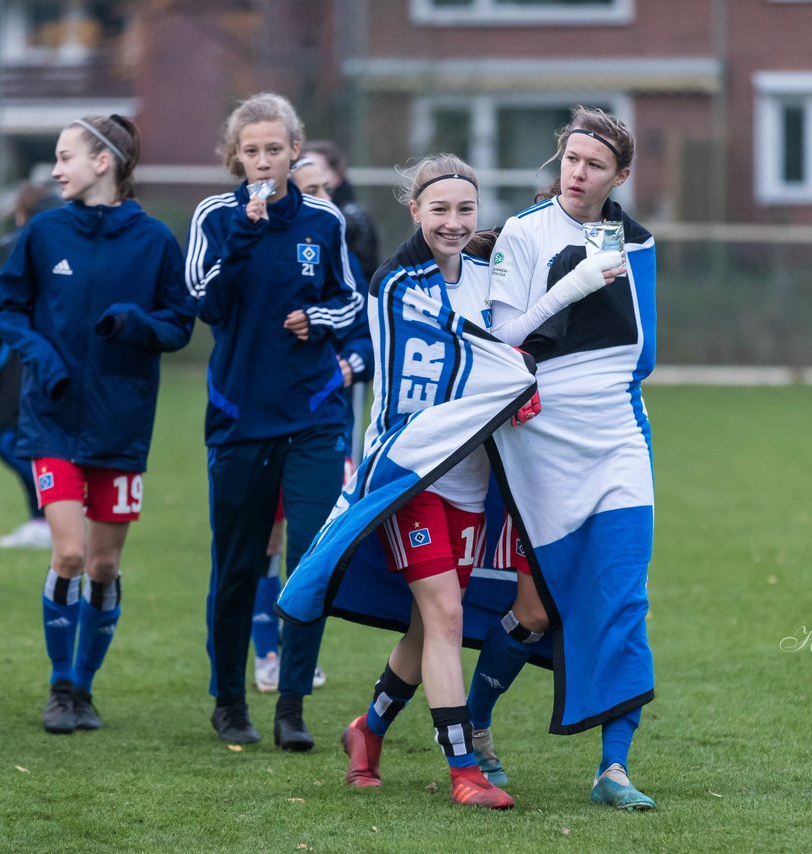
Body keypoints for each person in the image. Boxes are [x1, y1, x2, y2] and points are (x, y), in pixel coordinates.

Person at [272, 152, 621, 808]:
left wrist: (525, 369)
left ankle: (367, 731)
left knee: (427, 626)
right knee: (446, 614)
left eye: (465, 210)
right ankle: (465, 771)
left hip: (470, 480)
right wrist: (512, 377)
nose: (454, 222)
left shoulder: (489, 275)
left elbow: (510, 339)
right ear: (415, 212)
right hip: (411, 474)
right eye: (440, 210)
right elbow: (463, 360)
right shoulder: (396, 285)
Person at [466, 106, 659, 810]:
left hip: (616, 438)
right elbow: (505, 335)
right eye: (571, 160)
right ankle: (476, 721)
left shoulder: (636, 243)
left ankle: (614, 769)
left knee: (624, 595)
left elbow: (649, 350)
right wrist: (574, 286)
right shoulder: (524, 232)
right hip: (539, 440)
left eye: (595, 165)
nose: (578, 174)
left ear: (620, 176)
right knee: (537, 608)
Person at [0, 115, 195, 733]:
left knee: (104, 567)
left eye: (64, 156)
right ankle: (59, 685)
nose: (55, 170)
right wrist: (42, 358)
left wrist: (135, 321)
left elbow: (179, 326)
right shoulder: (44, 233)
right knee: (71, 554)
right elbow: (6, 310)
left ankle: (84, 688)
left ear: (103, 162)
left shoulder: (155, 240)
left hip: (121, 426)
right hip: (51, 419)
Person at [186, 92, 362, 749]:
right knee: (235, 566)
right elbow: (207, 304)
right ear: (235, 157)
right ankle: (229, 701)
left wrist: (319, 319)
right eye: (251, 151)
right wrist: (247, 235)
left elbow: (353, 302)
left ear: (296, 150)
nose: (263, 161)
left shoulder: (324, 220)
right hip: (238, 415)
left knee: (310, 563)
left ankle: (291, 705)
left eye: (274, 149)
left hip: (313, 414)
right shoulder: (214, 216)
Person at [248, 154, 372, 696]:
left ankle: (295, 651)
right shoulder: (272, 254)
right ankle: (266, 652)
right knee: (265, 539)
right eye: (310, 188)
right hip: (264, 420)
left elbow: (370, 335)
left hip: (325, 423)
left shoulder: (339, 251)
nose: (323, 198)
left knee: (313, 542)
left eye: (327, 186)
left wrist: (350, 363)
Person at [0, 184, 63, 551]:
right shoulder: (66, 238)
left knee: (10, 442)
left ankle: (52, 514)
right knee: (32, 443)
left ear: (21, 213)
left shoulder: (14, 243)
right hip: (58, 357)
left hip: (19, 356)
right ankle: (44, 517)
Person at [302, 140, 380, 281]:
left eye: (317, 168)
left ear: (336, 176)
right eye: (304, 166)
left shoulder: (353, 217)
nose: (310, 173)